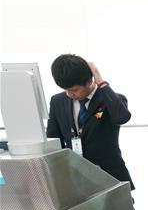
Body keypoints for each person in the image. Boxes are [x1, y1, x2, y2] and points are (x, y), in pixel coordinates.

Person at [46, 55, 133, 187]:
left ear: (89, 81)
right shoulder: (58, 101)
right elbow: (54, 137)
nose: (69, 94)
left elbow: (121, 117)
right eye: (66, 90)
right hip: (75, 176)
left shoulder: (110, 99)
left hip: (109, 175)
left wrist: (101, 82)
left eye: (74, 90)